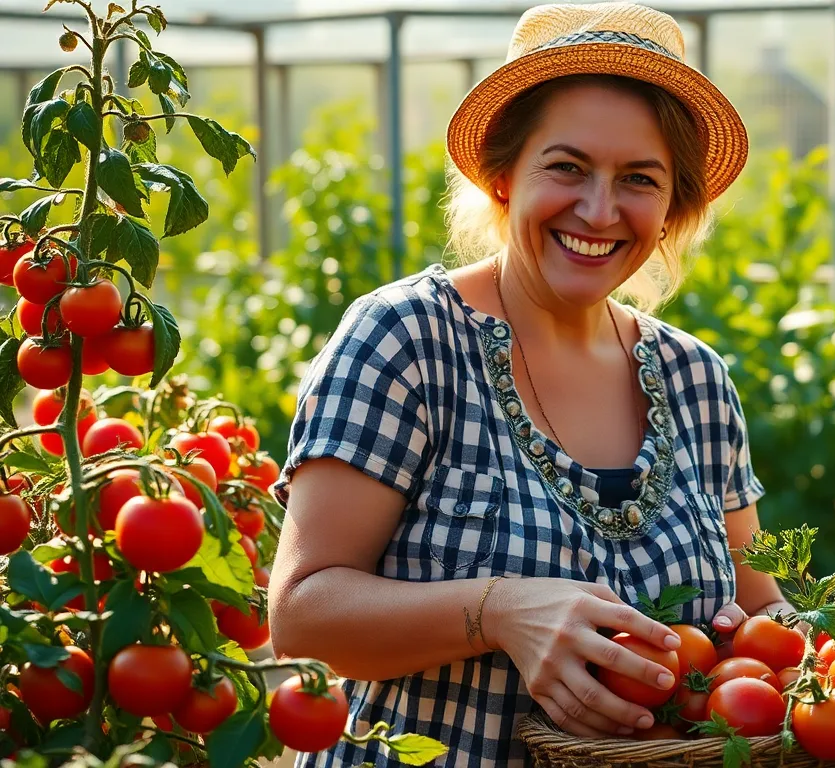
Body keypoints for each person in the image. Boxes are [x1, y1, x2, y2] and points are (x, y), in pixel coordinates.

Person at [268, 3, 791, 766]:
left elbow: (756, 610)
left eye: (638, 179)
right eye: (567, 167)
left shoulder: (695, 381)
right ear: (503, 175)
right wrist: (500, 609)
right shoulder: (408, 340)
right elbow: (302, 617)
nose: (599, 210)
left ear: (672, 206)